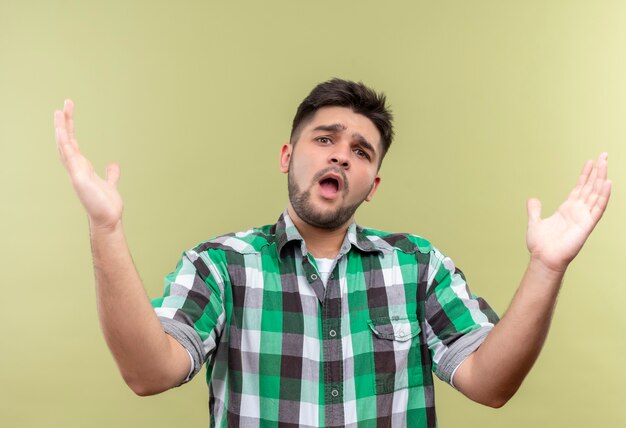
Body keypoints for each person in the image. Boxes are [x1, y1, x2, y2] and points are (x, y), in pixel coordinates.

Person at [54, 79, 611, 427]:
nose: (342, 156)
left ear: (373, 184)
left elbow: (491, 385)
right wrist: (106, 229)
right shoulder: (219, 264)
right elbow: (148, 372)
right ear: (287, 155)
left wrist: (546, 267)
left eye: (360, 151)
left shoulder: (416, 266)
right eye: (325, 139)